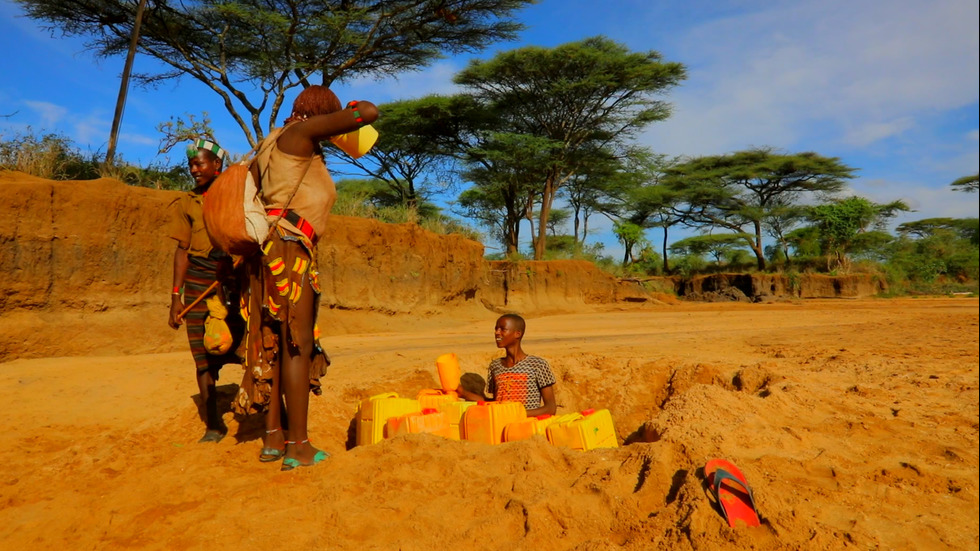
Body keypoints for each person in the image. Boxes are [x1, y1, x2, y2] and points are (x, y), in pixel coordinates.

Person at [232, 85, 379, 470]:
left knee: (276, 343)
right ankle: (298, 446)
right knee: (297, 345)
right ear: (318, 114)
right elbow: (368, 111)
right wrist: (344, 114)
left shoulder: (270, 143)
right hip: (290, 252)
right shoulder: (301, 134)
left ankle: (273, 437)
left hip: (268, 252)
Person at [167, 138, 244, 443]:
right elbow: (182, 252)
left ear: (217, 166)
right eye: (191, 165)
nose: (194, 169)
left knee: (246, 346)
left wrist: (233, 265)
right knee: (202, 356)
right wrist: (175, 296)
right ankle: (214, 423)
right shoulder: (186, 203)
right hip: (199, 279)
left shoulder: (235, 197)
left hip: (232, 281)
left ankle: (267, 410)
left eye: (199, 164)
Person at [457, 313, 558, 417]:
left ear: (517, 334)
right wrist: (463, 393)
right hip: (500, 426)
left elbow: (550, 408)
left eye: (502, 329)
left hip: (527, 428)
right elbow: (494, 403)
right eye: (496, 329)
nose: (497, 333)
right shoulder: (495, 366)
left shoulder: (538, 365)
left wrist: (515, 415)